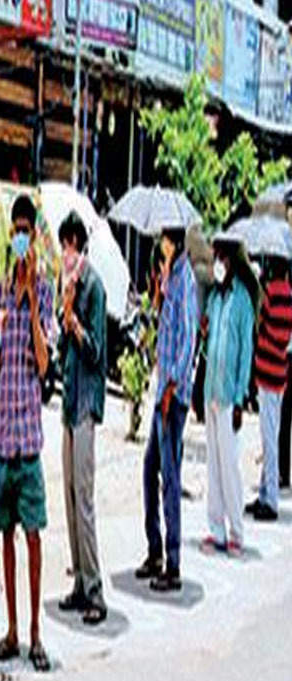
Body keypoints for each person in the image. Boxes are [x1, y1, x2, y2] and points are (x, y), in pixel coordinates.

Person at [0, 194, 53, 672]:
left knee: (33, 536)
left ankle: (34, 633)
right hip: (1, 434)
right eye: (17, 230)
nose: (21, 236)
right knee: (5, 537)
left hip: (28, 435)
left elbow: (45, 363)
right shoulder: (1, 289)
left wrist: (30, 307)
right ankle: (10, 629)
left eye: (27, 229)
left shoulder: (42, 290)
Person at [139, 226, 199, 593]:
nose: (159, 241)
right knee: (150, 468)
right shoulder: (169, 278)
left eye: (163, 237)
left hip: (172, 397)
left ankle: (172, 562)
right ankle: (155, 549)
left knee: (169, 477)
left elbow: (189, 337)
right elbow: (166, 328)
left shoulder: (186, 281)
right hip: (163, 389)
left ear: (173, 242)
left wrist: (173, 385)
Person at [56, 213, 108, 625]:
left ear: (77, 246)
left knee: (85, 499)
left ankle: (96, 589)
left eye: (67, 247)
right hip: (69, 403)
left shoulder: (94, 289)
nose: (63, 255)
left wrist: (73, 320)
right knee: (70, 496)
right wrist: (63, 313)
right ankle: (78, 581)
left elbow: (96, 353)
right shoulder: (69, 289)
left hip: (87, 403)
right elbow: (63, 351)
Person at [200, 237, 255, 554]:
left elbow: (245, 351)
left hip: (230, 394)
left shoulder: (242, 301)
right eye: (215, 255)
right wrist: (204, 332)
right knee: (213, 464)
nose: (217, 261)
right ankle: (216, 528)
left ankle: (236, 531)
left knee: (230, 465)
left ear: (233, 260)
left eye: (222, 256)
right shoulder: (216, 299)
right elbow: (209, 347)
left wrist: (241, 397)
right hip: (210, 390)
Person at [249, 256, 292, 522]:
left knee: (268, 437)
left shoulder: (271, 294)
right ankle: (265, 491)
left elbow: (262, 326)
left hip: (266, 370)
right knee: (271, 432)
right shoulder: (289, 295)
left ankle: (271, 500)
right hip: (280, 372)